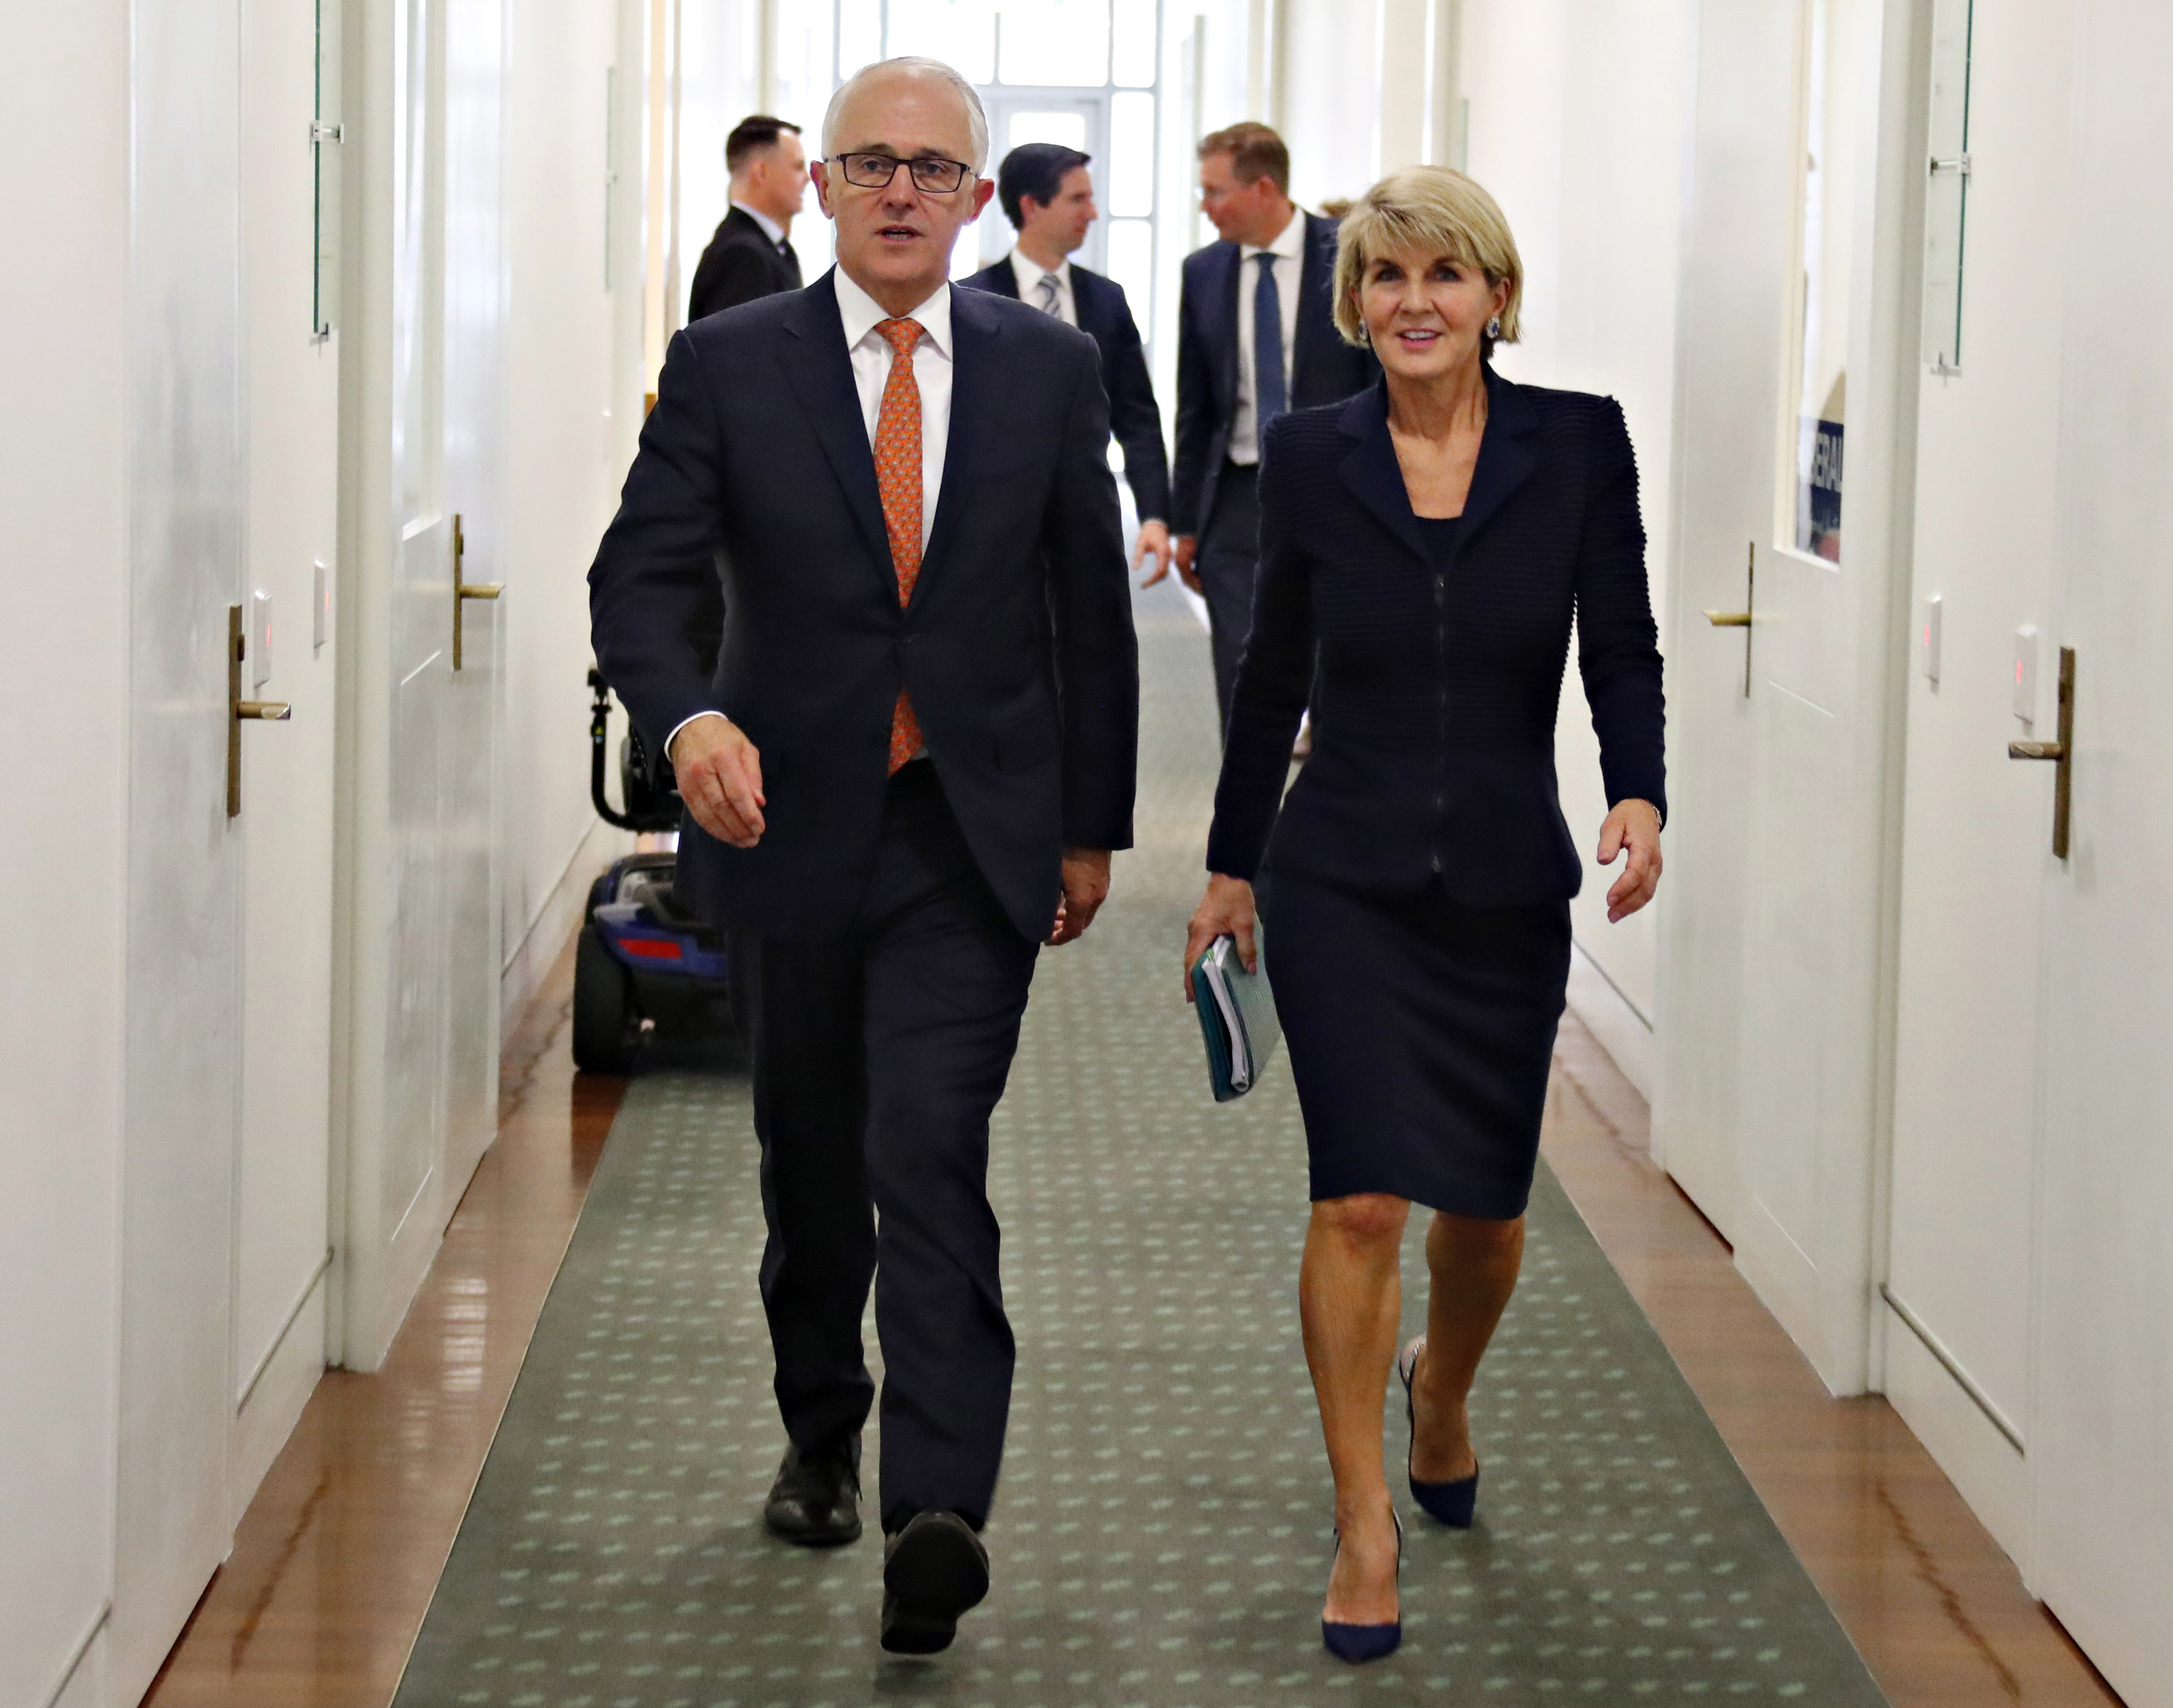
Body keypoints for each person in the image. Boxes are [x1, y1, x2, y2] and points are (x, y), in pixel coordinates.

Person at [589, 56, 1139, 1656]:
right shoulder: (726, 360)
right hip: (780, 823)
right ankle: (824, 1430)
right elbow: (640, 579)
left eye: (935, 168)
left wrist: (1091, 823)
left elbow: (1090, 618)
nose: (904, 190)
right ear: (819, 186)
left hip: (965, 834)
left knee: (929, 1147)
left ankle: (936, 1507)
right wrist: (688, 722)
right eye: (872, 163)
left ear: (976, 201)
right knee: (814, 1164)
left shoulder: (1047, 367)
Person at [1181, 165, 1666, 1663]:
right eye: (1385, 278)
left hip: (1509, 878)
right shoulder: (1319, 459)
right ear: (1357, 303)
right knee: (1361, 1197)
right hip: (1344, 872)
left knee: (1488, 1215)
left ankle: (1440, 1392)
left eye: (1443, 276)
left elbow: (1624, 641)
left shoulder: (1576, 446)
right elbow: (1273, 670)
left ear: (1495, 298)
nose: (1412, 303)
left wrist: (1640, 793)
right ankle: (1363, 1522)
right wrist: (1229, 859)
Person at [1171, 122, 1374, 730]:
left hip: (1334, 489)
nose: (1205, 208)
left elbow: (1376, 380)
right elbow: (1195, 406)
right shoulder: (1202, 272)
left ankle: (1327, 808)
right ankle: (1246, 812)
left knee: (1330, 659)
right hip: (1235, 495)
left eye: (1214, 192)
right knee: (1240, 659)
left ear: (1263, 188)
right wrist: (1185, 521)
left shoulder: (1350, 252)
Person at [962, 142, 1174, 584]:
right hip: (988, 527)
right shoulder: (969, 302)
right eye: (1078, 199)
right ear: (1031, 206)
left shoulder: (1107, 300)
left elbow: (1136, 415)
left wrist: (1154, 515)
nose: (1093, 213)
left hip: (1087, 519)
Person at [687, 115, 807, 322]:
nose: (807, 178)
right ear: (761, 172)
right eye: (798, 167)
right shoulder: (742, 255)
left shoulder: (768, 248)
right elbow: (740, 350)